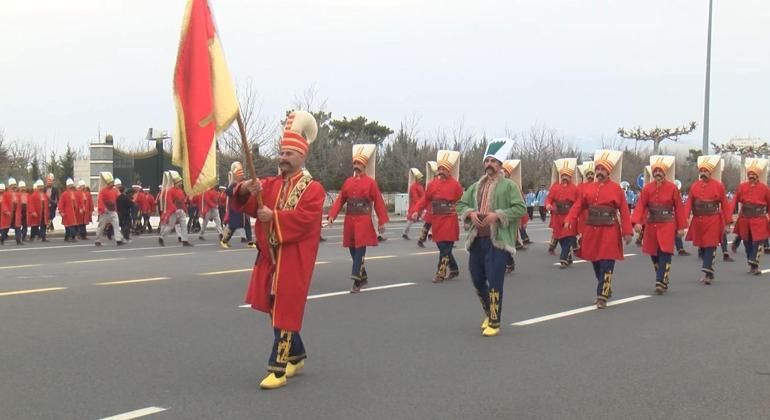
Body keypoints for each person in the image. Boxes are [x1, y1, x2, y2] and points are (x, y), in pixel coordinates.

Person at [230, 110, 324, 390]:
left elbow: (307, 221)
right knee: (275, 308)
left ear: (301, 156)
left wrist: (277, 219)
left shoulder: (313, 189)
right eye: (281, 152)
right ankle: (297, 355)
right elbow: (245, 204)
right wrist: (246, 188)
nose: (283, 157)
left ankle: (278, 368)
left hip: (293, 259)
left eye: (289, 154)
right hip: (269, 258)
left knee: (284, 309)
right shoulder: (269, 184)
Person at [456, 137, 525, 337]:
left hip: (498, 241)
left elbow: (520, 208)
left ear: (500, 164)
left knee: (495, 281)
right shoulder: (476, 186)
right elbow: (460, 204)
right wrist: (470, 213)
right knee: (477, 279)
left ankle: (495, 322)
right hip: (478, 239)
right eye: (487, 161)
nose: (489, 164)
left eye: (493, 161)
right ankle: (489, 312)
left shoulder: (509, 186)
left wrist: (498, 215)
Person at [565, 150, 633, 309]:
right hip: (592, 230)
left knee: (607, 262)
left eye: (603, 170)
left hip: (609, 230)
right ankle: (605, 287)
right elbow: (578, 205)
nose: (599, 172)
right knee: (596, 261)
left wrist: (627, 232)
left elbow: (624, 211)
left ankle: (601, 296)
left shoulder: (617, 189)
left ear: (608, 172)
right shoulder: (587, 189)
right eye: (598, 169)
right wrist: (570, 219)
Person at [328, 143, 389, 293]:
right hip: (349, 219)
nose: (357, 165)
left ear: (365, 165)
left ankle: (356, 281)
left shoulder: (371, 183)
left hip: (363, 220)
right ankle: (364, 277)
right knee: (352, 249)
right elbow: (340, 200)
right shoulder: (348, 182)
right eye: (355, 163)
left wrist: (381, 221)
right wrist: (331, 216)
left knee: (360, 250)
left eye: (359, 163)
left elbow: (379, 202)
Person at [631, 156, 687, 294]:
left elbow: (679, 208)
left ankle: (660, 281)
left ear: (664, 173)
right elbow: (640, 206)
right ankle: (662, 276)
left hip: (667, 224)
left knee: (665, 252)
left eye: (660, 171)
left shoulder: (673, 188)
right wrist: (637, 221)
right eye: (655, 171)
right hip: (651, 225)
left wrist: (681, 227)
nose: (657, 174)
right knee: (654, 254)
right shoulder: (647, 189)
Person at [411, 150, 463, 283]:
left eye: (444, 169)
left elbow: (461, 200)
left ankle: (440, 273)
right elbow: (424, 199)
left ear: (449, 171)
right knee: (442, 246)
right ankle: (455, 269)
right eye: (439, 168)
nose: (441, 171)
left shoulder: (455, 185)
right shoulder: (432, 185)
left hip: (450, 219)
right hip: (437, 221)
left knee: (446, 248)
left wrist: (464, 214)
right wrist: (416, 210)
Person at [683, 155, 731, 284]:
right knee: (703, 247)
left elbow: (725, 205)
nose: (703, 173)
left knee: (710, 245)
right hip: (698, 220)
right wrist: (684, 219)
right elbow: (688, 203)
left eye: (706, 171)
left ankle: (707, 273)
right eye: (701, 171)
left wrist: (727, 223)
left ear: (710, 173)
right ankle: (709, 270)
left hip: (713, 219)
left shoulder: (718, 186)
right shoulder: (694, 186)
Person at [732, 158, 770, 275]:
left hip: (759, 218)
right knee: (746, 241)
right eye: (750, 174)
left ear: (758, 176)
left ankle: (754, 263)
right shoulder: (742, 187)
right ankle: (751, 261)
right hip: (745, 218)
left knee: (758, 241)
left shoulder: (765, 188)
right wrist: (729, 215)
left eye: (754, 174)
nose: (752, 176)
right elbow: (734, 201)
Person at [545, 158, 579, 268]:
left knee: (568, 237)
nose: (564, 177)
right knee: (559, 237)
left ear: (570, 177)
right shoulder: (555, 187)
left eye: (567, 175)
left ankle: (563, 258)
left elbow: (579, 202)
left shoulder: (575, 188)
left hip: (569, 216)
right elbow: (549, 199)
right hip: (557, 216)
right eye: (563, 175)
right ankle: (568, 256)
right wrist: (548, 205)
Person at [220, 162, 256, 248]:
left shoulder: (244, 183)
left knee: (247, 225)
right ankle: (224, 241)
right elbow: (228, 193)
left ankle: (250, 241)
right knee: (233, 226)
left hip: (244, 208)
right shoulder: (233, 185)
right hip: (235, 209)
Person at [502, 159, 528, 272]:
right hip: (497, 218)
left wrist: (523, 220)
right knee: (498, 242)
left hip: (510, 218)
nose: (503, 173)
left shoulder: (514, 186)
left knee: (504, 242)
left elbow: (521, 205)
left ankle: (508, 262)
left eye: (505, 171)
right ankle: (507, 262)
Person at [158, 171, 193, 247]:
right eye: (179, 182)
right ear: (175, 183)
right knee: (170, 226)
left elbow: (183, 201)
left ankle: (185, 241)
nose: (180, 184)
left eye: (180, 182)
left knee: (184, 226)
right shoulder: (170, 191)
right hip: (174, 211)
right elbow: (169, 201)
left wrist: (185, 209)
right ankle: (161, 237)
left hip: (181, 210)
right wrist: (174, 209)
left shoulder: (180, 191)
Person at [94, 172, 125, 246]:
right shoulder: (102, 191)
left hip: (113, 211)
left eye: (112, 182)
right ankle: (97, 240)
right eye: (111, 182)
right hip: (105, 212)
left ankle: (118, 240)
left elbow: (120, 197)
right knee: (101, 227)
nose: (112, 183)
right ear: (107, 183)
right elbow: (100, 200)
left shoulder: (114, 190)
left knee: (116, 225)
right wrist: (102, 209)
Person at [417, 161, 437, 248]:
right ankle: (421, 239)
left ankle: (422, 239)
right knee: (427, 225)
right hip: (433, 208)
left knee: (428, 225)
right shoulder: (432, 184)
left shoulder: (431, 183)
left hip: (435, 208)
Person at [402, 168, 425, 240]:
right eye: (421, 178)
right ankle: (404, 233)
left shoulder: (420, 186)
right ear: (417, 179)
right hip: (415, 206)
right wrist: (420, 205)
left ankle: (426, 234)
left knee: (425, 220)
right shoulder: (414, 187)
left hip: (419, 205)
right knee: (410, 221)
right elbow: (415, 198)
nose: (422, 179)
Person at [59, 178, 81, 242]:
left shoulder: (76, 193)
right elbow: (61, 204)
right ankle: (72, 237)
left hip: (75, 212)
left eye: (72, 185)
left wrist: (80, 208)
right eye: (70, 185)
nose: (71, 186)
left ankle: (67, 237)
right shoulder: (64, 194)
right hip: (67, 212)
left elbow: (79, 202)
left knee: (71, 226)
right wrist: (61, 211)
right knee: (69, 226)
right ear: (67, 186)